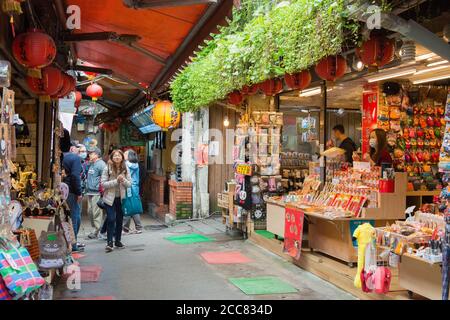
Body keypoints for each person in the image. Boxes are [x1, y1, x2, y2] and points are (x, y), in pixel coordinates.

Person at [101, 149, 131, 252]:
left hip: (121, 199)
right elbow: (103, 184)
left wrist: (123, 180)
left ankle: (118, 241)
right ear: (112, 158)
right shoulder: (107, 168)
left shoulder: (126, 168)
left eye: (119, 156)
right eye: (115, 156)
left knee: (119, 220)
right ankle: (109, 242)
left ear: (122, 157)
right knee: (111, 219)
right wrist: (116, 181)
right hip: (109, 198)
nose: (117, 157)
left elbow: (129, 184)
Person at [62, 143, 84, 252]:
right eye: (78, 149)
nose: (80, 152)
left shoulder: (61, 156)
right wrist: (79, 192)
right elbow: (75, 176)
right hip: (71, 191)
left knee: (66, 217)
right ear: (72, 148)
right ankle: (73, 245)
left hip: (62, 190)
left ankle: (69, 243)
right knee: (74, 218)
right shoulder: (74, 158)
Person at [85, 147, 107, 240]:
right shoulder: (92, 164)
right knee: (90, 211)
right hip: (90, 192)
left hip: (97, 192)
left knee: (96, 212)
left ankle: (96, 230)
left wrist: (103, 191)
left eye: (91, 153)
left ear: (97, 154)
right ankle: (96, 229)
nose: (89, 155)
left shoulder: (101, 164)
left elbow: (105, 177)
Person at [123, 149, 143, 234]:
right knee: (134, 207)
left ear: (129, 156)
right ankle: (138, 227)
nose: (123, 154)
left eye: (125, 154)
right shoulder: (136, 164)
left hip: (129, 187)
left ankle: (125, 228)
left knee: (127, 206)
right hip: (135, 188)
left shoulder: (126, 164)